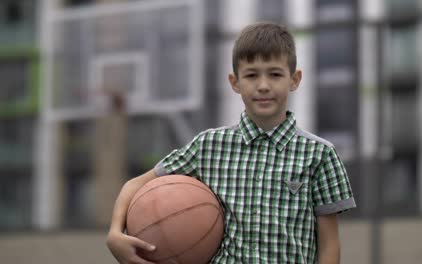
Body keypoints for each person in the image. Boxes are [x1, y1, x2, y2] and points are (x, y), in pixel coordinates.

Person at [106, 21, 356, 264]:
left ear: (294, 79)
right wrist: (115, 233)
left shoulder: (320, 155)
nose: (263, 85)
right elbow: (135, 184)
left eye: (275, 74)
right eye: (251, 75)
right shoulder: (208, 146)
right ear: (235, 83)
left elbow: (329, 246)